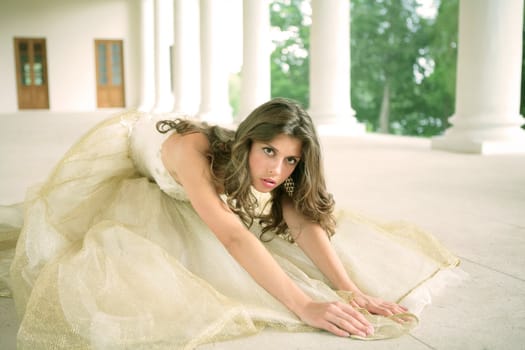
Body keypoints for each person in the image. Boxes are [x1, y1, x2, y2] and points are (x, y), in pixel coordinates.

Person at [0, 98, 460, 349]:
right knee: (73, 237)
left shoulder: (277, 169)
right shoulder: (192, 150)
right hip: (138, 150)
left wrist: (347, 288)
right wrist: (303, 304)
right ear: (248, 142)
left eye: (290, 160)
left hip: (203, 159)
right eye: (269, 152)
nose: (277, 171)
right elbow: (233, 234)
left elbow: (300, 220)